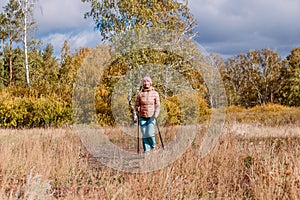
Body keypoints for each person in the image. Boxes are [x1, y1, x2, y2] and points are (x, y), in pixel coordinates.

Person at [135, 76, 160, 153]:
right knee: (144, 134)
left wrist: (156, 114)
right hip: (142, 116)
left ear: (150, 83)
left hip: (152, 116)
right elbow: (136, 104)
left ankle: (154, 146)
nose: (146, 83)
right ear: (143, 83)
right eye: (144, 82)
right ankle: (147, 151)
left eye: (147, 81)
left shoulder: (155, 93)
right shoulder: (140, 94)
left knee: (149, 133)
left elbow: (158, 105)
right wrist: (137, 108)